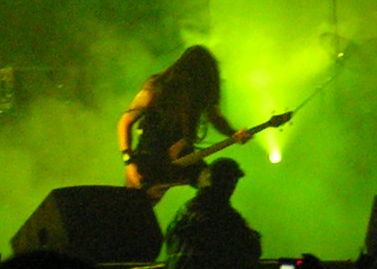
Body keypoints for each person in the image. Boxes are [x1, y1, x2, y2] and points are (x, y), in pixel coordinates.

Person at [118, 44, 290, 202]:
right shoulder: (157, 87)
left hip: (182, 158)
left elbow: (215, 116)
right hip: (149, 161)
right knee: (134, 209)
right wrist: (129, 163)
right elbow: (125, 122)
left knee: (213, 183)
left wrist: (233, 133)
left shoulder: (202, 93)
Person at [162, 157, 261, 269]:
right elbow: (251, 248)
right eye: (230, 180)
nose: (232, 186)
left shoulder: (184, 211)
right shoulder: (224, 215)